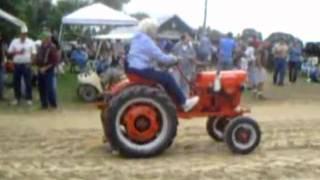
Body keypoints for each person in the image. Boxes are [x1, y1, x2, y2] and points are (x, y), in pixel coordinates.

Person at [127, 18, 199, 112]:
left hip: (134, 68)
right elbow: (161, 57)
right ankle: (184, 103)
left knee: (164, 76)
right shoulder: (146, 41)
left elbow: (154, 56)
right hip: (142, 69)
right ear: (150, 29)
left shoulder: (137, 38)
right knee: (168, 78)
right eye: (155, 30)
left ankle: (172, 101)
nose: (156, 32)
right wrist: (175, 59)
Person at [8, 27, 36, 106]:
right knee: (16, 82)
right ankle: (17, 98)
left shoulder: (30, 42)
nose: (23, 35)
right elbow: (9, 52)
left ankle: (29, 98)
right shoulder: (14, 41)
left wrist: (31, 63)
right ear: (19, 34)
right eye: (22, 34)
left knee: (28, 82)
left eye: (25, 34)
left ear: (27, 34)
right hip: (16, 64)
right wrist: (17, 52)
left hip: (26, 64)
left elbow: (34, 53)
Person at [35, 31, 59, 109]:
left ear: (48, 38)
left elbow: (54, 61)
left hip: (48, 70)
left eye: (44, 37)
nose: (42, 39)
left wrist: (45, 68)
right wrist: (38, 67)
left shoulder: (52, 47)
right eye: (42, 37)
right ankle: (44, 104)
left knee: (49, 87)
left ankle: (53, 104)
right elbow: (38, 58)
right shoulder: (41, 46)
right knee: (41, 87)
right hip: (40, 69)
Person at [172, 33, 197, 97]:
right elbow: (172, 56)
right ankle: (176, 98)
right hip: (178, 69)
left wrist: (192, 59)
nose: (189, 39)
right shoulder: (176, 46)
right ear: (183, 39)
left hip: (187, 69)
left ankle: (185, 99)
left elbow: (194, 57)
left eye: (189, 38)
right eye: (187, 38)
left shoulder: (191, 47)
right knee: (176, 84)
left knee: (185, 86)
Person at [0, 33, 6, 101]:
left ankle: (1, 95)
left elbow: (3, 54)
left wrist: (3, 62)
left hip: (1, 65)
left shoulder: (2, 44)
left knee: (2, 80)